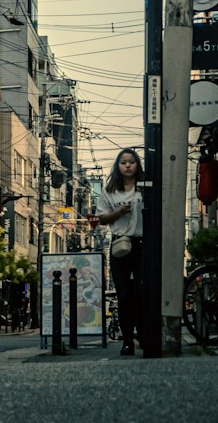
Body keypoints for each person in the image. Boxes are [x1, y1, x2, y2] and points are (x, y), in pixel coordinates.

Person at [96, 147, 147, 355]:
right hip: (119, 246)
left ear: (137, 165)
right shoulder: (110, 190)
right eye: (123, 162)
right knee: (124, 295)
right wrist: (118, 211)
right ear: (118, 166)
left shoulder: (144, 187)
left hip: (142, 244)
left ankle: (144, 334)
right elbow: (100, 218)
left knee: (142, 293)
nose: (128, 165)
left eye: (131, 162)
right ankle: (128, 340)